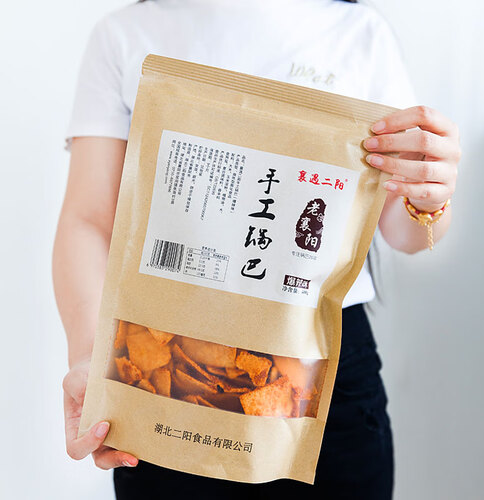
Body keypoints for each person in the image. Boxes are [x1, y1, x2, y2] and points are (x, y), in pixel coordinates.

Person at [52, 1, 460, 498]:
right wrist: (90, 359)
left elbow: (402, 232)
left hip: (322, 364)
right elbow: (88, 221)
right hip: (168, 362)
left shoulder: (359, 33)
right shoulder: (125, 34)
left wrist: (429, 196)